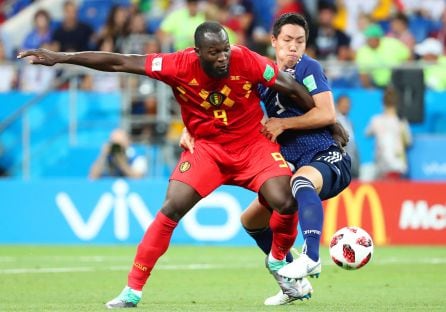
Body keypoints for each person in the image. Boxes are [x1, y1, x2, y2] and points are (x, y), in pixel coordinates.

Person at [18, 21, 318, 308]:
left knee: (285, 201)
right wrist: (61, 57)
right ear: (198, 52)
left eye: (225, 49)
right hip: (208, 150)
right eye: (214, 52)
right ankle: (132, 290)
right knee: (171, 208)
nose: (223, 57)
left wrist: (325, 121)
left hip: (252, 146)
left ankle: (278, 260)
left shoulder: (245, 59)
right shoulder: (176, 64)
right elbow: (120, 62)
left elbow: (290, 87)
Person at [180, 13, 352, 306]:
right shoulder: (261, 73)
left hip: (325, 156)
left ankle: (310, 256)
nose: (293, 48)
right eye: (287, 41)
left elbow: (326, 114)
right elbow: (223, 101)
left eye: (300, 41)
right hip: (294, 162)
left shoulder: (309, 68)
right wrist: (189, 128)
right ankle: (292, 283)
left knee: (300, 182)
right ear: (273, 42)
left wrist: (283, 124)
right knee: (250, 221)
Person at [366, 86, 412, 180]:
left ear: (383, 103)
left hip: (382, 164)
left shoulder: (376, 120)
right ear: (397, 104)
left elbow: (367, 133)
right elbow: (408, 141)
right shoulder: (401, 122)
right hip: (397, 164)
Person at [336, 94, 359, 178]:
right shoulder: (334, 120)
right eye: (344, 103)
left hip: (351, 163)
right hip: (341, 163)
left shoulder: (349, 122)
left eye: (348, 103)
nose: (346, 105)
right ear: (337, 104)